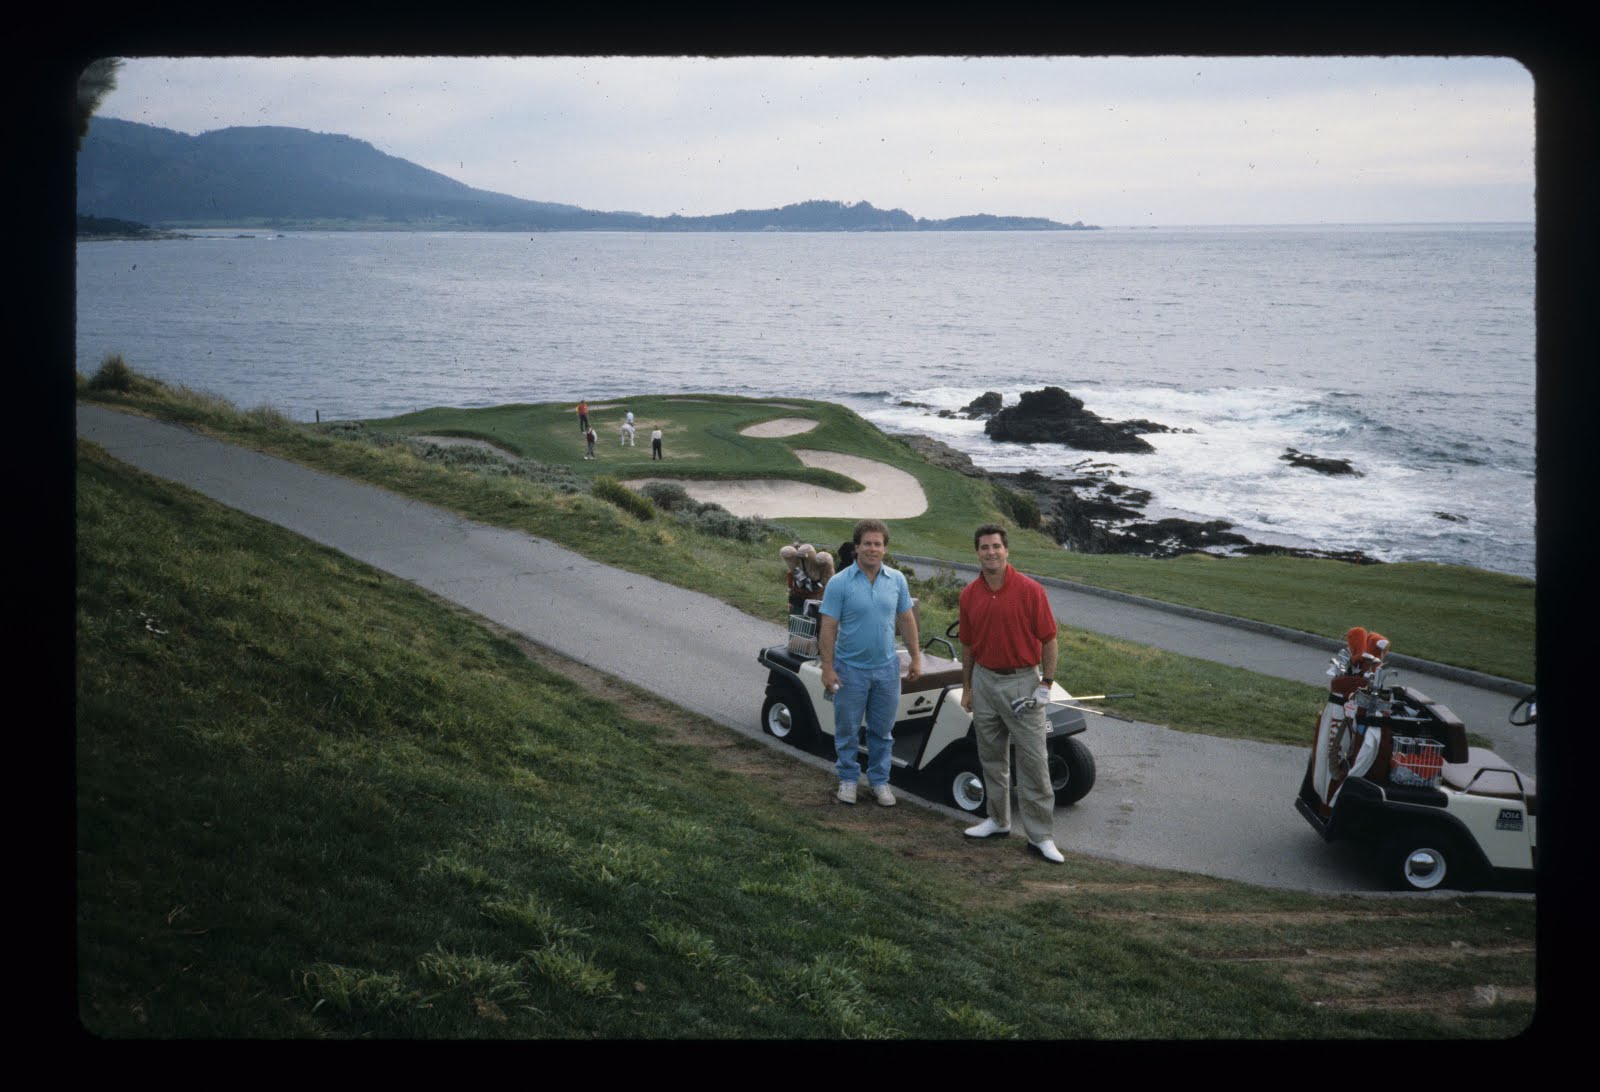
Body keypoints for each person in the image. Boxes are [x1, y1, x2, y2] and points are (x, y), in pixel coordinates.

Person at [957, 523, 1065, 863]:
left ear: (1006, 550)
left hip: (1022, 682)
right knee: (991, 757)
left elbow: (1049, 639)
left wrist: (1046, 683)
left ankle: (1041, 836)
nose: (991, 552)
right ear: (977, 552)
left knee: (1033, 762)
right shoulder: (969, 594)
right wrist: (967, 687)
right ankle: (998, 820)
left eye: (996, 546)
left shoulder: (1030, 590)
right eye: (984, 547)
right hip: (984, 681)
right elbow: (968, 646)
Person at [817, 519, 922, 807]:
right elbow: (828, 627)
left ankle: (879, 782)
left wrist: (915, 657)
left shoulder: (897, 580)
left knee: (882, 732)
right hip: (849, 669)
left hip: (887, 669)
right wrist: (827, 667)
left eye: (878, 544)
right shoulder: (839, 583)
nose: (872, 549)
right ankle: (848, 779)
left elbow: (906, 619)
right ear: (857, 547)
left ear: (884, 549)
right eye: (867, 543)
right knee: (848, 730)